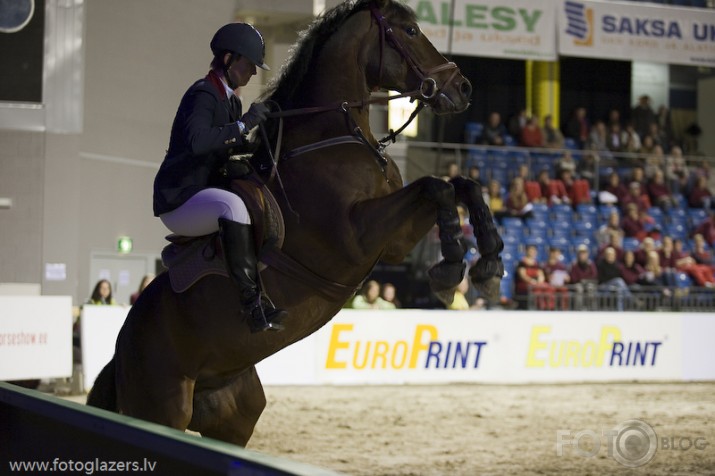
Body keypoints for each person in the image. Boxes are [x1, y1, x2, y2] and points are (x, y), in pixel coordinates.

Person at [152, 23, 285, 333]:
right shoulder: (203, 93)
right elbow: (199, 141)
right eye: (249, 64)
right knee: (233, 208)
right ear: (228, 59)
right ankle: (253, 306)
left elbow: (230, 146)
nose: (253, 72)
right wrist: (243, 125)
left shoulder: (232, 102)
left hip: (201, 193)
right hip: (179, 199)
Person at [596, 246, 632, 311]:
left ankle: (620, 310)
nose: (610, 256)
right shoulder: (601, 264)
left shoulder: (617, 265)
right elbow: (601, 278)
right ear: (605, 255)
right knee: (619, 281)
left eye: (612, 254)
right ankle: (629, 297)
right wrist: (612, 279)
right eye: (608, 254)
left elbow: (621, 275)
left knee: (619, 290)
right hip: (604, 286)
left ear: (614, 256)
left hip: (614, 286)